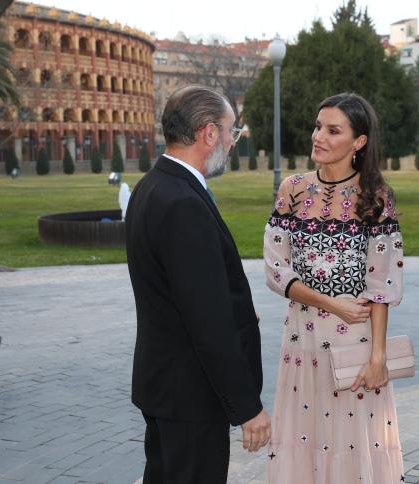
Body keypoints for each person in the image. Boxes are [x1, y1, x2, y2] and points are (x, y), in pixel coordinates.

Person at [126, 85, 270, 483]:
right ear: (208, 133)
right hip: (191, 396)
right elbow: (209, 321)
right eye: (230, 132)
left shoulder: (152, 186)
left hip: (168, 388)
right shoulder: (183, 203)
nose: (231, 141)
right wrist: (246, 407)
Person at [264, 93, 405, 483]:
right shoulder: (292, 190)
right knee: (303, 437)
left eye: (332, 130)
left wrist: (378, 357)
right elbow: (276, 270)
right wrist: (331, 303)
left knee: (353, 442)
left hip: (354, 346)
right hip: (301, 342)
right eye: (317, 126)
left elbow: (383, 283)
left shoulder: (376, 197)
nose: (318, 137)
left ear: (358, 142)